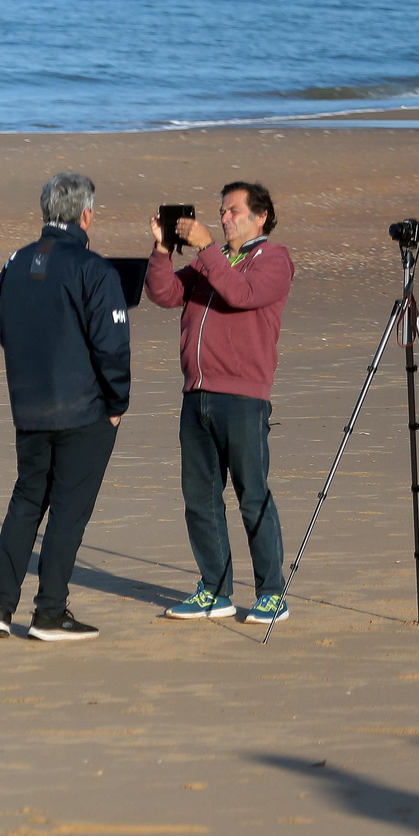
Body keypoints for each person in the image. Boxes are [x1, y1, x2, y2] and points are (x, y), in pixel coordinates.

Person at [0, 172, 130, 642]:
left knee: (26, 502)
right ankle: (49, 612)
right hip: (83, 410)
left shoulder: (15, 262)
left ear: (47, 212)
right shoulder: (94, 268)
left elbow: (8, 334)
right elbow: (112, 347)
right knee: (67, 510)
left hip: (30, 406)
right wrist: (117, 402)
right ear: (85, 214)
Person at [146, 182, 295, 625]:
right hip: (197, 395)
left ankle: (271, 592)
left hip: (243, 398)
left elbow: (241, 295)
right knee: (201, 499)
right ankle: (214, 589)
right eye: (222, 211)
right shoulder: (213, 262)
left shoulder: (273, 259)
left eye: (233, 211)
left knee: (253, 496)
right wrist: (161, 251)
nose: (225, 217)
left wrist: (208, 246)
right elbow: (165, 294)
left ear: (259, 217)